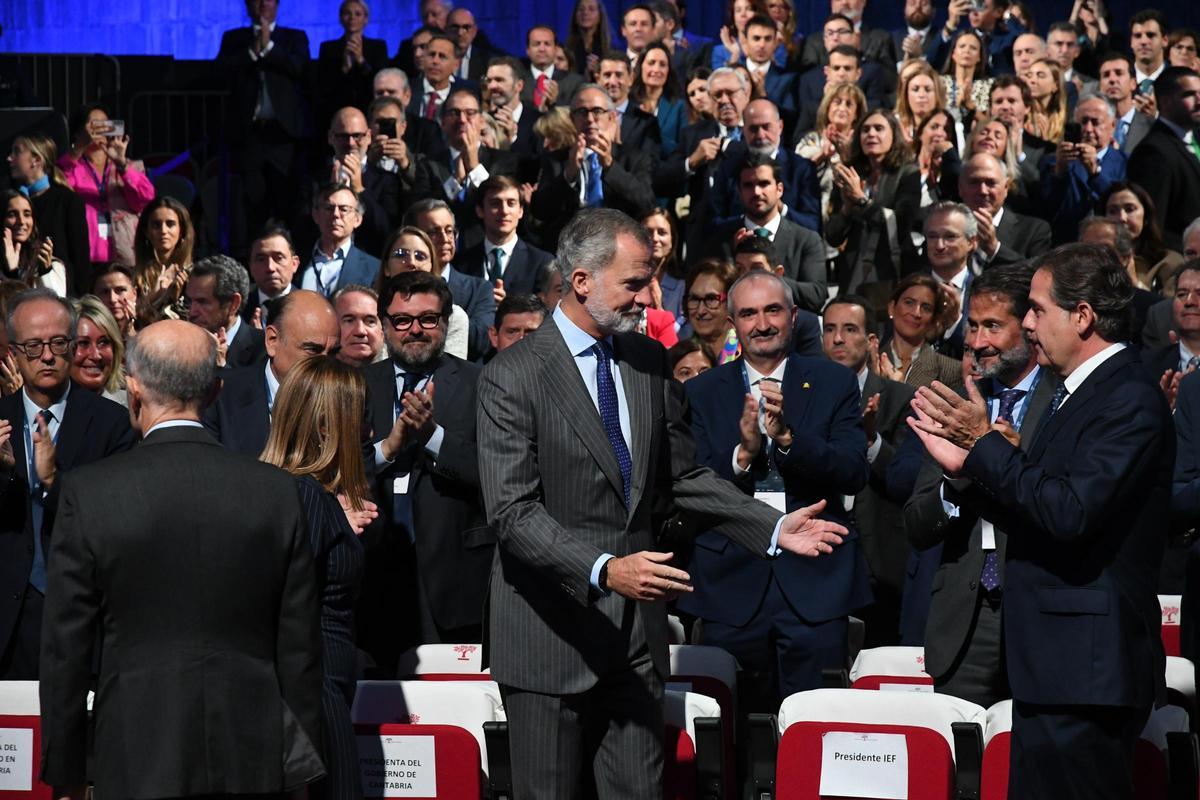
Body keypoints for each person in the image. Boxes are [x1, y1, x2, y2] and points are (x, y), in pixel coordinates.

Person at [476, 208, 850, 797]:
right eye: (633, 283)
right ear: (581, 282)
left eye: (650, 281)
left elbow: (682, 474)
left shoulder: (646, 361)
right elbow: (512, 513)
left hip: (635, 644)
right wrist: (604, 570)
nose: (650, 298)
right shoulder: (512, 375)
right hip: (548, 637)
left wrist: (772, 528)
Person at [909, 243, 1171, 800]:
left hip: (1085, 672)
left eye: (1037, 309)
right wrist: (966, 473)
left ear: (1082, 316)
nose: (1027, 324)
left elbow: (1069, 512)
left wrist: (983, 446)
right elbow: (1038, 506)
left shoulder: (1126, 397)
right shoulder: (1079, 393)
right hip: (1055, 668)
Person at [39, 319, 325, 800]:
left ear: (132, 387)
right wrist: (304, 767)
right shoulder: (274, 491)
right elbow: (299, 647)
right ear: (214, 392)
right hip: (251, 749)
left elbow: (65, 648)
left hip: (136, 750)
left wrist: (65, 771)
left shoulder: (90, 493)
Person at [681, 270, 870, 703]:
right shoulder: (702, 392)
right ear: (733, 323)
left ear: (795, 316)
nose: (762, 324)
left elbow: (853, 471)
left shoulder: (833, 381)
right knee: (733, 735)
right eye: (748, 313)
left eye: (773, 310)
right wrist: (743, 456)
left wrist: (788, 440)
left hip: (817, 582)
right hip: (730, 583)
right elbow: (691, 481)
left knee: (815, 724)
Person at [906, 262, 1061, 709]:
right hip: (964, 621)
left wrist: (1007, 462)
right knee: (960, 768)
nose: (976, 342)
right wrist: (956, 480)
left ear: (1029, 326)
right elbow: (917, 525)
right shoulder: (951, 400)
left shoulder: (1066, 396)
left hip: (1039, 612)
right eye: (972, 326)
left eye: (993, 325)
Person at [359, 271, 493, 669]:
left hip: (458, 584)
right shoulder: (356, 385)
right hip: (373, 583)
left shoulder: (482, 384)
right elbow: (334, 472)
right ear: (384, 325)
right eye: (401, 320)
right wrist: (388, 447)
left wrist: (432, 437)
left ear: (446, 322)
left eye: (428, 319)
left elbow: (496, 472)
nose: (414, 330)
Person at [0, 288, 135, 679]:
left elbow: (118, 520)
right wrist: (5, 474)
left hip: (84, 617)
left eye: (58, 343)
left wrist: (55, 483)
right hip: (10, 620)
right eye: (33, 346)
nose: (46, 356)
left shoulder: (112, 424)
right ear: (13, 352)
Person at [261, 354, 372, 800]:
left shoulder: (307, 494)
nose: (368, 432)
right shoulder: (304, 495)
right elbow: (283, 607)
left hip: (325, 689)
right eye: (361, 419)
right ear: (329, 426)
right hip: (314, 696)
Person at [823, 294, 917, 647]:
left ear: (872, 341)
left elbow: (907, 478)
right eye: (829, 329)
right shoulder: (806, 396)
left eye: (849, 329)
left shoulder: (901, 398)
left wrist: (871, 440)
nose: (837, 339)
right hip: (823, 553)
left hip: (882, 559)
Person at [216, 0, 312, 243]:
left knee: (288, 203)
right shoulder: (234, 38)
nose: (261, 5)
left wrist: (268, 45)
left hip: (285, 137)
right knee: (252, 205)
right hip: (250, 136)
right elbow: (220, 72)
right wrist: (253, 50)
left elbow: (299, 68)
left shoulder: (294, 37)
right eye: (255, 0)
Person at [203, 290, 340, 457]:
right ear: (272, 340)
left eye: (332, 352)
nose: (324, 363)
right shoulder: (219, 397)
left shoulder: (348, 400)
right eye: (312, 350)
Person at [702, 153, 827, 312]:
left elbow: (816, 296)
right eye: (748, 185)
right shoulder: (721, 239)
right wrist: (736, 263)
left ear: (779, 189)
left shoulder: (806, 239)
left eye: (764, 183)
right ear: (739, 191)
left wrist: (768, 276)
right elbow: (709, 295)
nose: (756, 192)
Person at [533, 84, 656, 243]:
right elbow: (539, 211)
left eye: (597, 111)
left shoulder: (634, 158)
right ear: (572, 119)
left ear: (611, 117)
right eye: (582, 112)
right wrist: (568, 175)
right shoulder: (556, 160)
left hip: (617, 246)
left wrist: (610, 167)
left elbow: (646, 204)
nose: (590, 119)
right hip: (570, 248)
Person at [412, 87, 520, 254]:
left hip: (486, 250)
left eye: (470, 113)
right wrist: (455, 183)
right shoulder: (427, 164)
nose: (462, 120)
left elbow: (500, 201)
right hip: (441, 251)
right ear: (443, 122)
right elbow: (423, 212)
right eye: (454, 113)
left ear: (481, 120)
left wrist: (475, 167)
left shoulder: (504, 161)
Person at [826, 109, 921, 298]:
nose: (871, 134)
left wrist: (861, 201)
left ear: (894, 135)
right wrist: (847, 208)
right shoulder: (850, 174)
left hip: (893, 270)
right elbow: (832, 236)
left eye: (879, 129)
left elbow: (901, 224)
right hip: (853, 272)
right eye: (865, 130)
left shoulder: (909, 174)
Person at [58, 103, 155, 267]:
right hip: (86, 253)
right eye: (94, 124)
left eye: (105, 124)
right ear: (78, 131)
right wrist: (80, 146)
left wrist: (122, 164)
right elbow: (60, 185)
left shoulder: (129, 166)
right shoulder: (70, 166)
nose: (100, 129)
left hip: (126, 251)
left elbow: (145, 200)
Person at [708, 99, 822, 234]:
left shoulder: (801, 168)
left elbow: (813, 225)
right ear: (744, 130)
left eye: (766, 127)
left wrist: (780, 209)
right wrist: (748, 222)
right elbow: (714, 223)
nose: (761, 135)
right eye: (753, 129)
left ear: (780, 126)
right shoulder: (729, 168)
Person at [406, 198, 496, 361]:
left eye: (449, 231)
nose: (445, 238)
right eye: (433, 232)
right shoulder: (396, 288)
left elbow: (482, 340)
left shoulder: (479, 289)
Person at [1126, 67, 1200, 253]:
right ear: (1165, 102)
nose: (1199, 101)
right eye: (1190, 95)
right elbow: (1154, 226)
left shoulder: (1195, 137)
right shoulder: (1153, 153)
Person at [6, 134, 89, 294]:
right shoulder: (9, 199)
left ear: (36, 160)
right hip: (19, 291)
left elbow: (80, 261)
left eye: (17, 152)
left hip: (59, 294)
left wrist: (79, 302)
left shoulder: (68, 201)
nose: (9, 158)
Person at [1040, 95, 1126, 245]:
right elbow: (1046, 208)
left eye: (1095, 122)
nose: (1088, 129)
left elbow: (1120, 201)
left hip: (1111, 243)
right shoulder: (1054, 161)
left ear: (1113, 126)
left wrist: (1095, 172)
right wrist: (1059, 171)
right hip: (1066, 244)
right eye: (1083, 122)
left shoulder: (1125, 162)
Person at [316, 107, 401, 257]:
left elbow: (388, 232)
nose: (351, 143)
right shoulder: (314, 179)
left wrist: (360, 190)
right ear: (330, 137)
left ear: (369, 136)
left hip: (370, 263)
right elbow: (301, 227)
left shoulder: (387, 180)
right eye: (343, 136)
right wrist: (329, 194)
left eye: (357, 136)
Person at [375, 225, 470, 360]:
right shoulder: (367, 314)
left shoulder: (453, 316)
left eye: (420, 256)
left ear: (432, 266)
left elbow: (451, 373)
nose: (412, 262)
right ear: (386, 267)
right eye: (401, 254)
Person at [459, 176, 554, 300]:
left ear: (520, 211)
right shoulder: (461, 264)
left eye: (511, 203)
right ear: (480, 210)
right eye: (495, 203)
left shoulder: (542, 262)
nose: (504, 211)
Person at [958, 152, 1051, 267]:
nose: (983, 190)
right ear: (960, 188)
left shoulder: (1034, 230)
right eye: (974, 182)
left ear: (1006, 187)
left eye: (990, 183)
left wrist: (994, 249)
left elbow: (1037, 276)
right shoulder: (941, 227)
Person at [794, 83, 867, 225]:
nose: (842, 108)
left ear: (856, 114)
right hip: (809, 215)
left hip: (845, 218)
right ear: (828, 108)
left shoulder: (861, 147)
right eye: (837, 102)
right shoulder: (811, 140)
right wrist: (822, 155)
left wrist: (848, 155)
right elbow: (797, 173)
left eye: (849, 104)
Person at [875, 273, 963, 391]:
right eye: (909, 302)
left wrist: (900, 390)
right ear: (891, 308)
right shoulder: (869, 362)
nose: (916, 313)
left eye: (926, 308)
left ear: (933, 320)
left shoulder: (951, 371)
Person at [315, 0, 388, 132]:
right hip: (336, 110)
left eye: (357, 14)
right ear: (341, 18)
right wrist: (344, 68)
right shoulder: (328, 48)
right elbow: (323, 84)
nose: (352, 18)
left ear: (365, 19)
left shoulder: (378, 47)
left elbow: (380, 80)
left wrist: (361, 61)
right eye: (347, 13)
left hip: (368, 110)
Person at [1100, 181, 1183, 294]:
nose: (1121, 218)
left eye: (1130, 209)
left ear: (1146, 217)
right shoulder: (1093, 259)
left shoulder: (1169, 262)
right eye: (1112, 211)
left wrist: (1135, 283)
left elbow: (1170, 309)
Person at [300, 183, 381, 298]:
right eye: (328, 208)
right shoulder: (298, 262)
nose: (336, 214)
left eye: (344, 209)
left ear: (357, 219)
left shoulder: (373, 268)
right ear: (316, 215)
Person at [185, 255, 265, 368]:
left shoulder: (263, 348)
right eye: (189, 301)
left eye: (202, 302)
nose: (192, 312)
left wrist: (221, 366)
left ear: (233, 304)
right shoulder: (181, 343)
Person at [132, 196, 195, 322]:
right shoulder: (133, 277)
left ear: (181, 231)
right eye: (156, 225)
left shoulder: (195, 276)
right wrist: (155, 296)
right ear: (146, 231)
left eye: (170, 224)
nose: (163, 231)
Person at [2, 190, 67, 295]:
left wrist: (45, 272)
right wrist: (9, 273)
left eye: (27, 214)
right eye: (12, 214)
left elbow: (56, 305)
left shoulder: (49, 264)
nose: (21, 221)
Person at [632, 41, 687, 159]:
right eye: (651, 63)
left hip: (666, 171)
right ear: (641, 66)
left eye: (662, 64)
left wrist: (651, 127)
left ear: (668, 70)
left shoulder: (679, 107)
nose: (656, 69)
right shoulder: (629, 103)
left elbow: (681, 151)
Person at [71, 295, 126, 405]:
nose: (96, 355)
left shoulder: (133, 409)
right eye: (83, 343)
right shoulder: (43, 411)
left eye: (103, 342)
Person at [242, 222, 300, 326]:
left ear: (294, 264)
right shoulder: (239, 310)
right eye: (261, 259)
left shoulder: (310, 307)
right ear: (250, 267)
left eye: (278, 258)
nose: (270, 267)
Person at [684, 258, 740, 364]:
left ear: (731, 302)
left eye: (711, 299)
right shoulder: (681, 357)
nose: (701, 311)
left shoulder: (748, 355)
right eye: (694, 299)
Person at [1099, 53, 1154, 154]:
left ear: (1133, 83)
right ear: (1100, 86)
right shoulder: (1091, 127)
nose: (1112, 79)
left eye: (1119, 73)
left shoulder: (1150, 124)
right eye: (1106, 75)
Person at [641, 208, 686, 327]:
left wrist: (659, 308)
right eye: (648, 232)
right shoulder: (625, 280)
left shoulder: (684, 285)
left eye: (662, 232)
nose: (655, 238)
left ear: (672, 239)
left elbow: (683, 335)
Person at [940, 30, 993, 127]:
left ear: (979, 57)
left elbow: (991, 125)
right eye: (962, 46)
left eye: (973, 48)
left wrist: (970, 106)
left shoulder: (989, 86)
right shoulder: (939, 83)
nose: (967, 50)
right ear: (953, 54)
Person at [525, 25, 585, 110]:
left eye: (547, 44)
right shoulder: (517, 81)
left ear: (555, 49)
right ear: (527, 50)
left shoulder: (575, 83)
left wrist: (553, 103)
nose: (542, 49)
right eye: (536, 44)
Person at [895, 60, 946, 144]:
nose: (921, 95)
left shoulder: (952, 128)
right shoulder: (895, 127)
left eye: (927, 89)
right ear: (906, 96)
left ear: (937, 95)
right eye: (915, 89)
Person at [334, 283, 385, 367]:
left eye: (370, 321)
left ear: (383, 331)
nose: (360, 331)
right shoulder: (314, 376)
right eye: (349, 321)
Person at [565, 0, 613, 82]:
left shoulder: (610, 47)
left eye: (591, 9)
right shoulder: (567, 48)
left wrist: (599, 70)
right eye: (581, 9)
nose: (585, 13)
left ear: (600, 15)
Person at [90, 263, 139, 341]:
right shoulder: (86, 333)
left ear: (134, 294)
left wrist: (130, 328)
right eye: (105, 292)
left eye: (120, 290)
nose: (113, 299)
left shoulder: (151, 328)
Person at [447, 7, 497, 84]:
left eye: (466, 27)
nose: (460, 32)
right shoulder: (438, 57)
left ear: (474, 31)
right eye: (455, 27)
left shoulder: (488, 61)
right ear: (446, 30)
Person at [1024, 58, 1068, 143]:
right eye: (1029, 76)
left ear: (1056, 85)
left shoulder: (1066, 120)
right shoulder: (1022, 117)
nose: (1032, 80)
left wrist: (1045, 141)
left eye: (1040, 76)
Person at [1130, 9, 1168, 86]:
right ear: (1131, 42)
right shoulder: (1120, 80)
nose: (1143, 41)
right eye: (1137, 36)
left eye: (1150, 35)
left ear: (1165, 40)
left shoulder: (1177, 80)